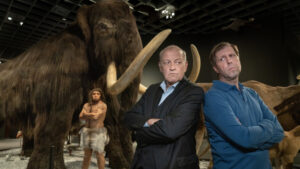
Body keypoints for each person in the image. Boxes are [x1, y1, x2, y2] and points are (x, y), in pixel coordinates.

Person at [204, 42, 284, 169]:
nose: (229, 61)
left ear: (238, 59)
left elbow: (279, 132)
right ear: (216, 68)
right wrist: (268, 126)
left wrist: (253, 139)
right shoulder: (213, 98)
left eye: (232, 55)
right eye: (222, 59)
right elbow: (245, 139)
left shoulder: (252, 93)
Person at [123, 45, 204, 169]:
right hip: (142, 164)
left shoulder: (194, 92)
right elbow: (128, 118)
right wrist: (149, 121)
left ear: (185, 66)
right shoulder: (152, 90)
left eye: (178, 62)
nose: (172, 67)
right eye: (167, 62)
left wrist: (138, 133)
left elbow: (170, 131)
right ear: (160, 67)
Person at [79, 88, 109, 169]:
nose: (95, 95)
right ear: (91, 95)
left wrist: (86, 113)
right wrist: (90, 114)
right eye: (94, 94)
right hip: (86, 132)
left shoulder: (103, 105)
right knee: (86, 155)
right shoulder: (86, 105)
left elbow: (95, 117)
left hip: (98, 132)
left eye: (97, 94)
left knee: (99, 154)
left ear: (100, 95)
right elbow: (80, 116)